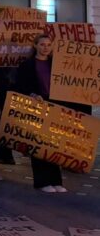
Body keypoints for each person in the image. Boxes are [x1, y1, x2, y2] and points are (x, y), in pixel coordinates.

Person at [14, 34, 90, 193]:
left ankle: (56, 181)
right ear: (35, 46)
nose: (45, 47)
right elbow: (20, 86)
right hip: (37, 107)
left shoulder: (57, 64)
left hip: (56, 107)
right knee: (39, 144)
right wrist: (32, 94)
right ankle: (42, 182)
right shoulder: (27, 65)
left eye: (48, 45)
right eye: (42, 44)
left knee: (55, 144)